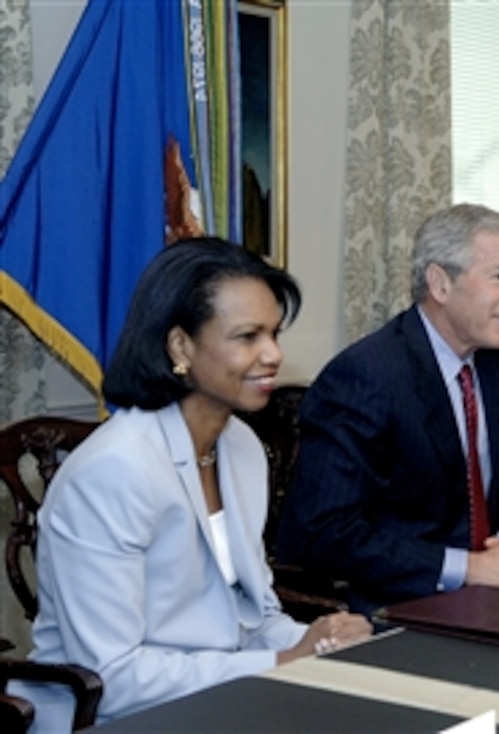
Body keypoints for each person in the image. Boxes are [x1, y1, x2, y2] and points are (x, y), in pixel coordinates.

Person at [10, 239, 373, 732]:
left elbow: (254, 618)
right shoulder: (115, 470)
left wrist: (326, 642)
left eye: (273, 333)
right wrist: (284, 662)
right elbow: (112, 675)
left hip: (218, 701)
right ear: (180, 346)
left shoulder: (241, 446)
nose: (273, 354)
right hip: (105, 718)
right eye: (247, 336)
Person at [276, 204, 499, 616]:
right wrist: (469, 568)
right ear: (440, 284)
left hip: (493, 600)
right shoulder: (365, 377)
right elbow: (324, 534)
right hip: (398, 608)